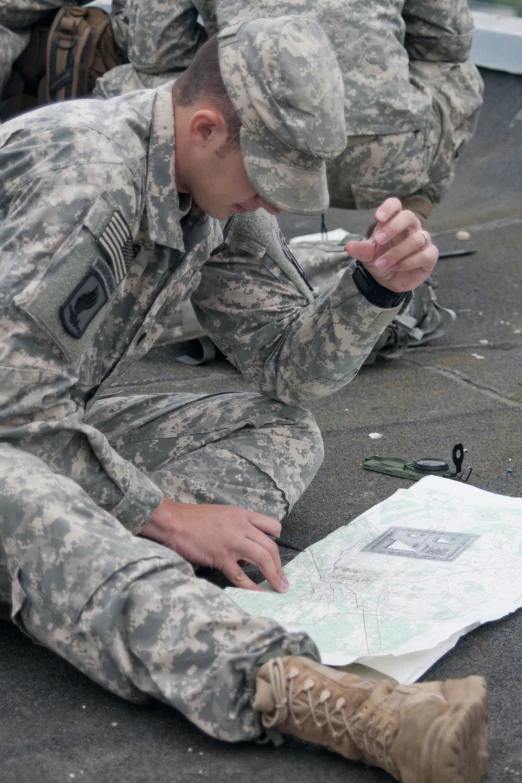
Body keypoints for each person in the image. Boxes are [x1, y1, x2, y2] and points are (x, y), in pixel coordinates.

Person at [0, 16, 487, 782]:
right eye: (263, 180)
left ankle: (77, 570)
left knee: (282, 431)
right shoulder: (89, 177)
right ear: (205, 127)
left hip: (33, 418)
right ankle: (289, 687)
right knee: (18, 490)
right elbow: (17, 418)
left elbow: (289, 370)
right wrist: (164, 516)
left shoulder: (209, 182)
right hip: (11, 428)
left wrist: (374, 289)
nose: (269, 203)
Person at [94, 0, 484, 225]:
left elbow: (156, 50)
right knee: (459, 76)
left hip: (242, 148)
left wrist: (230, 55)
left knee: (128, 83)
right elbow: (448, 40)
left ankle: (175, 236)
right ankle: (403, 225)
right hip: (385, 158)